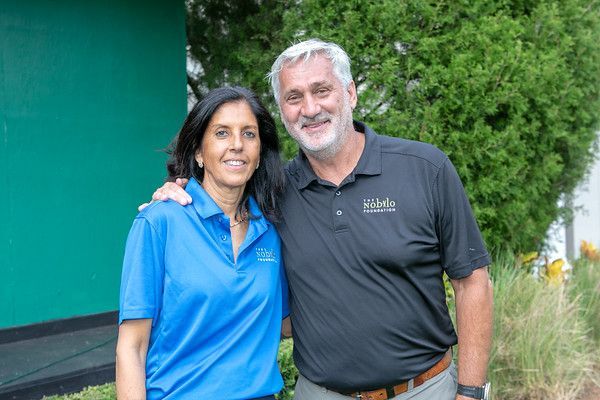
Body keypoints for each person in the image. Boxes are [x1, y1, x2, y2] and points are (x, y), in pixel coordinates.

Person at [149, 40, 494, 400]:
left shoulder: (424, 169)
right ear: (282, 111)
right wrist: (176, 194)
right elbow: (219, 194)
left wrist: (470, 392)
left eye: (321, 90)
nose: (310, 109)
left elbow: (472, 283)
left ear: (350, 93)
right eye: (294, 97)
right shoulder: (272, 193)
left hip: (424, 389)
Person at [116, 86, 289, 400]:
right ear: (198, 152)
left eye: (249, 134)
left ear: (259, 153)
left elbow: (286, 323)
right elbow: (132, 347)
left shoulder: (271, 230)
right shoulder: (159, 222)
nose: (237, 145)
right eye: (222, 133)